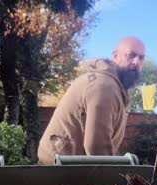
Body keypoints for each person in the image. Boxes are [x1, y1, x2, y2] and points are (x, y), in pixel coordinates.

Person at [38, 36, 146, 165]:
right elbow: (97, 147)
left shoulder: (117, 88)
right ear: (116, 56)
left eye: (141, 58)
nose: (136, 62)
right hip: (56, 170)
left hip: (72, 166)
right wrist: (115, 179)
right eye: (131, 55)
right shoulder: (104, 86)